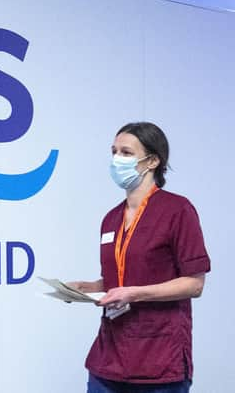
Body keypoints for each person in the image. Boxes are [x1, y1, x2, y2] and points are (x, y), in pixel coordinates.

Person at [69, 122, 211, 393]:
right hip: (109, 357)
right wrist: (87, 289)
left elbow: (194, 284)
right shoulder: (111, 219)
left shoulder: (178, 210)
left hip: (159, 358)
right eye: (113, 151)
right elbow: (120, 278)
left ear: (153, 161)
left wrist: (134, 294)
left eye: (125, 152)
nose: (116, 159)